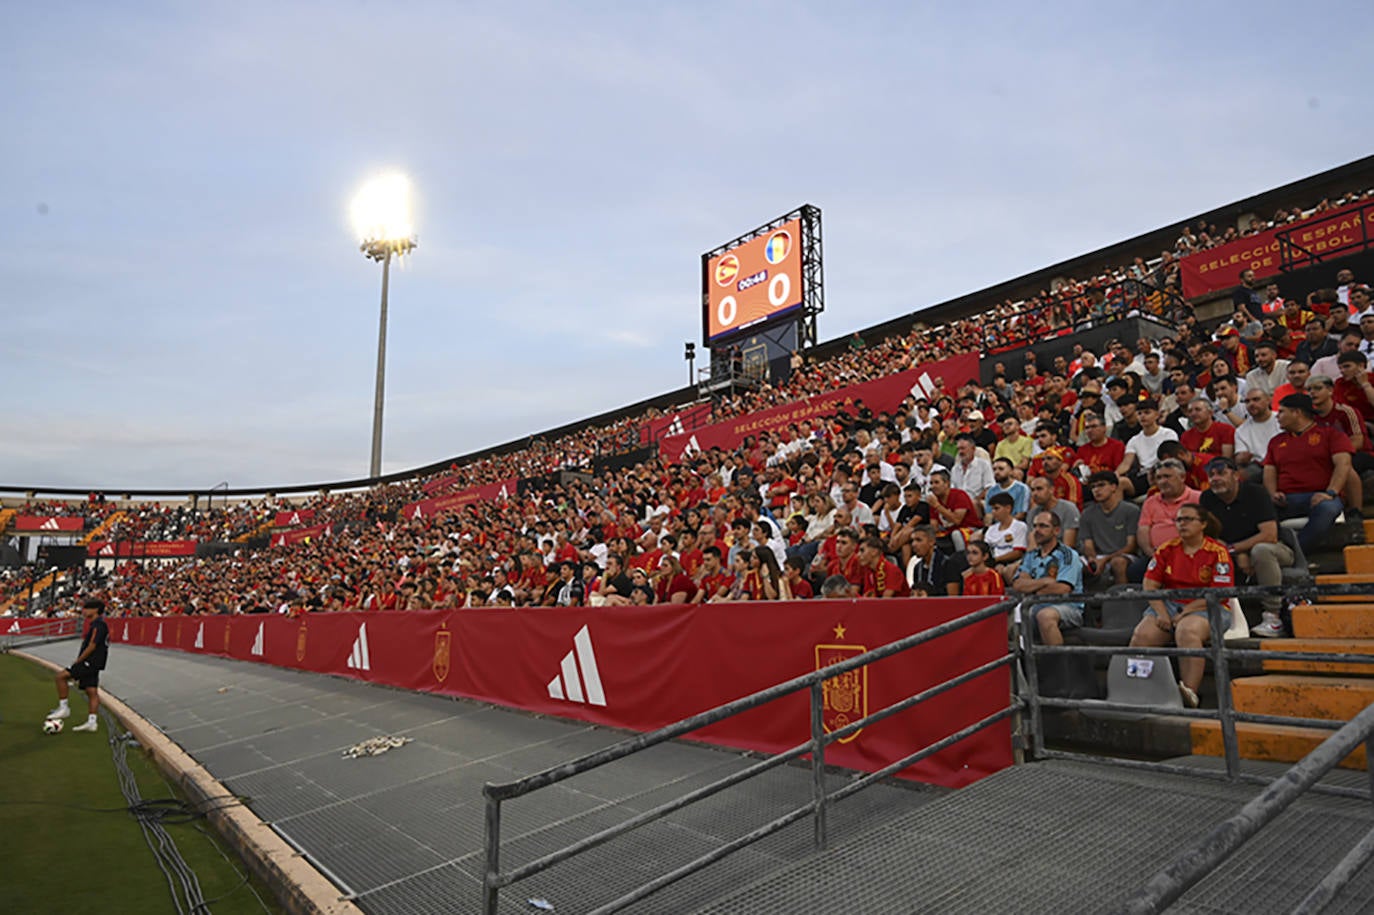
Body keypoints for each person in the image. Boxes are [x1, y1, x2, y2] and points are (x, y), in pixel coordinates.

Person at [1129, 506, 1235, 708]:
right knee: (1142, 635)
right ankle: (1138, 689)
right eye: (1178, 520)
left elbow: (1219, 593)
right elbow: (1149, 585)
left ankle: (1189, 693)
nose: (1182, 524)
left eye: (1188, 519)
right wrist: (1161, 613)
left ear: (1203, 524)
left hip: (1208, 606)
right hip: (1169, 604)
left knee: (1187, 630)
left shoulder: (1218, 551)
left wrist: (1184, 613)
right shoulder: (1166, 549)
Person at [1200, 457, 1290, 638]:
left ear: (1235, 475)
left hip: (1275, 549)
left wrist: (1237, 550)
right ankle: (1215, 614)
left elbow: (1269, 535)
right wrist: (1233, 552)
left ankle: (1273, 616)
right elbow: (1208, 535)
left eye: (1221, 473)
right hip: (1231, 552)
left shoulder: (1256, 493)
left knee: (1261, 550)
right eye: (1211, 475)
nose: (1215, 478)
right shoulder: (1207, 498)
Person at [1264, 393, 1353, 552]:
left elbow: (1343, 464)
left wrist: (1331, 492)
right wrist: (1272, 493)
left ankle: (1293, 551)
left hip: (1321, 495)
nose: (1277, 417)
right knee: (1259, 507)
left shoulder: (1331, 434)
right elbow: (1269, 471)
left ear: (1297, 412)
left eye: (1282, 412)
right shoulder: (1275, 441)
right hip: (1286, 499)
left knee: (1328, 508)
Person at [1014, 511, 1086, 647]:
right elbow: (1018, 584)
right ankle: (1024, 664)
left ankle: (1057, 664)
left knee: (1045, 616)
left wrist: (1032, 587)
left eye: (1043, 526)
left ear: (1057, 530)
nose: (1037, 531)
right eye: (1035, 526)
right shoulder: (1030, 555)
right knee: (1010, 615)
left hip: (1068, 606)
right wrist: (1045, 582)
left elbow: (1063, 588)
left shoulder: (1068, 554)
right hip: (1034, 604)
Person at [47, 598, 109, 732]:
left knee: (61, 677)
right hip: (95, 663)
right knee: (91, 691)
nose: (84, 611)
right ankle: (92, 722)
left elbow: (92, 645)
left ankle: (64, 708)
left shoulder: (99, 625)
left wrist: (79, 660)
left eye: (87, 608)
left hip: (90, 662)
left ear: (95, 610)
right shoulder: (96, 624)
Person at [1078, 471, 1140, 588]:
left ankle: (1122, 601)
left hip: (1124, 555)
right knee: (1074, 564)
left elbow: (1131, 546)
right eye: (1093, 487)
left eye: (1101, 485)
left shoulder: (1131, 510)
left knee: (1118, 562)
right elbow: (1088, 544)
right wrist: (1092, 559)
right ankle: (1080, 603)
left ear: (1113, 487)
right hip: (1099, 555)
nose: (1096, 490)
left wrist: (1106, 559)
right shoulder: (1087, 513)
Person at [1117, 399, 1178, 497]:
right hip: (1143, 475)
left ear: (1157, 415)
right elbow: (1126, 463)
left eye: (1147, 412)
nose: (1143, 416)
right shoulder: (1134, 440)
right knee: (1119, 482)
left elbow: (1171, 458)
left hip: (1163, 470)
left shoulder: (1168, 434)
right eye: (1139, 413)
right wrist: (1115, 474)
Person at [1234, 387, 1281, 484]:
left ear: (1268, 400)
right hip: (1258, 467)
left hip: (1283, 461)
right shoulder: (1241, 430)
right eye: (1247, 401)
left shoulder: (1281, 419)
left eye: (1256, 399)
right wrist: (1241, 458)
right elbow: (1240, 456)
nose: (1251, 404)